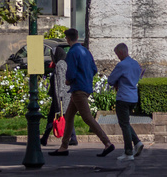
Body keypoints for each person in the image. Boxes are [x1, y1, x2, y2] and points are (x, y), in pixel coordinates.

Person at [48, 28, 116, 158]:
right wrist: (86, 77)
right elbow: (94, 69)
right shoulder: (85, 51)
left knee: (87, 118)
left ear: (67, 39)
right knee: (68, 117)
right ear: (77, 36)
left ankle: (107, 143)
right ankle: (63, 147)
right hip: (84, 87)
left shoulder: (72, 52)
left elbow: (71, 73)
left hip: (78, 89)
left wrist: (68, 81)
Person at [107, 43, 145, 161]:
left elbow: (111, 80)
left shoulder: (122, 65)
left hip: (123, 97)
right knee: (126, 123)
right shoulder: (135, 64)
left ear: (122, 52)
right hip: (133, 97)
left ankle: (128, 152)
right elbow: (138, 78)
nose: (117, 57)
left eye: (117, 54)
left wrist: (117, 82)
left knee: (124, 124)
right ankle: (137, 143)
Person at [41, 45, 77, 147]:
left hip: (60, 97)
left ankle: (73, 138)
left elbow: (60, 82)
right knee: (55, 116)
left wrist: (60, 97)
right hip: (59, 96)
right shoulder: (63, 63)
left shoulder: (60, 65)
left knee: (64, 116)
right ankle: (45, 138)